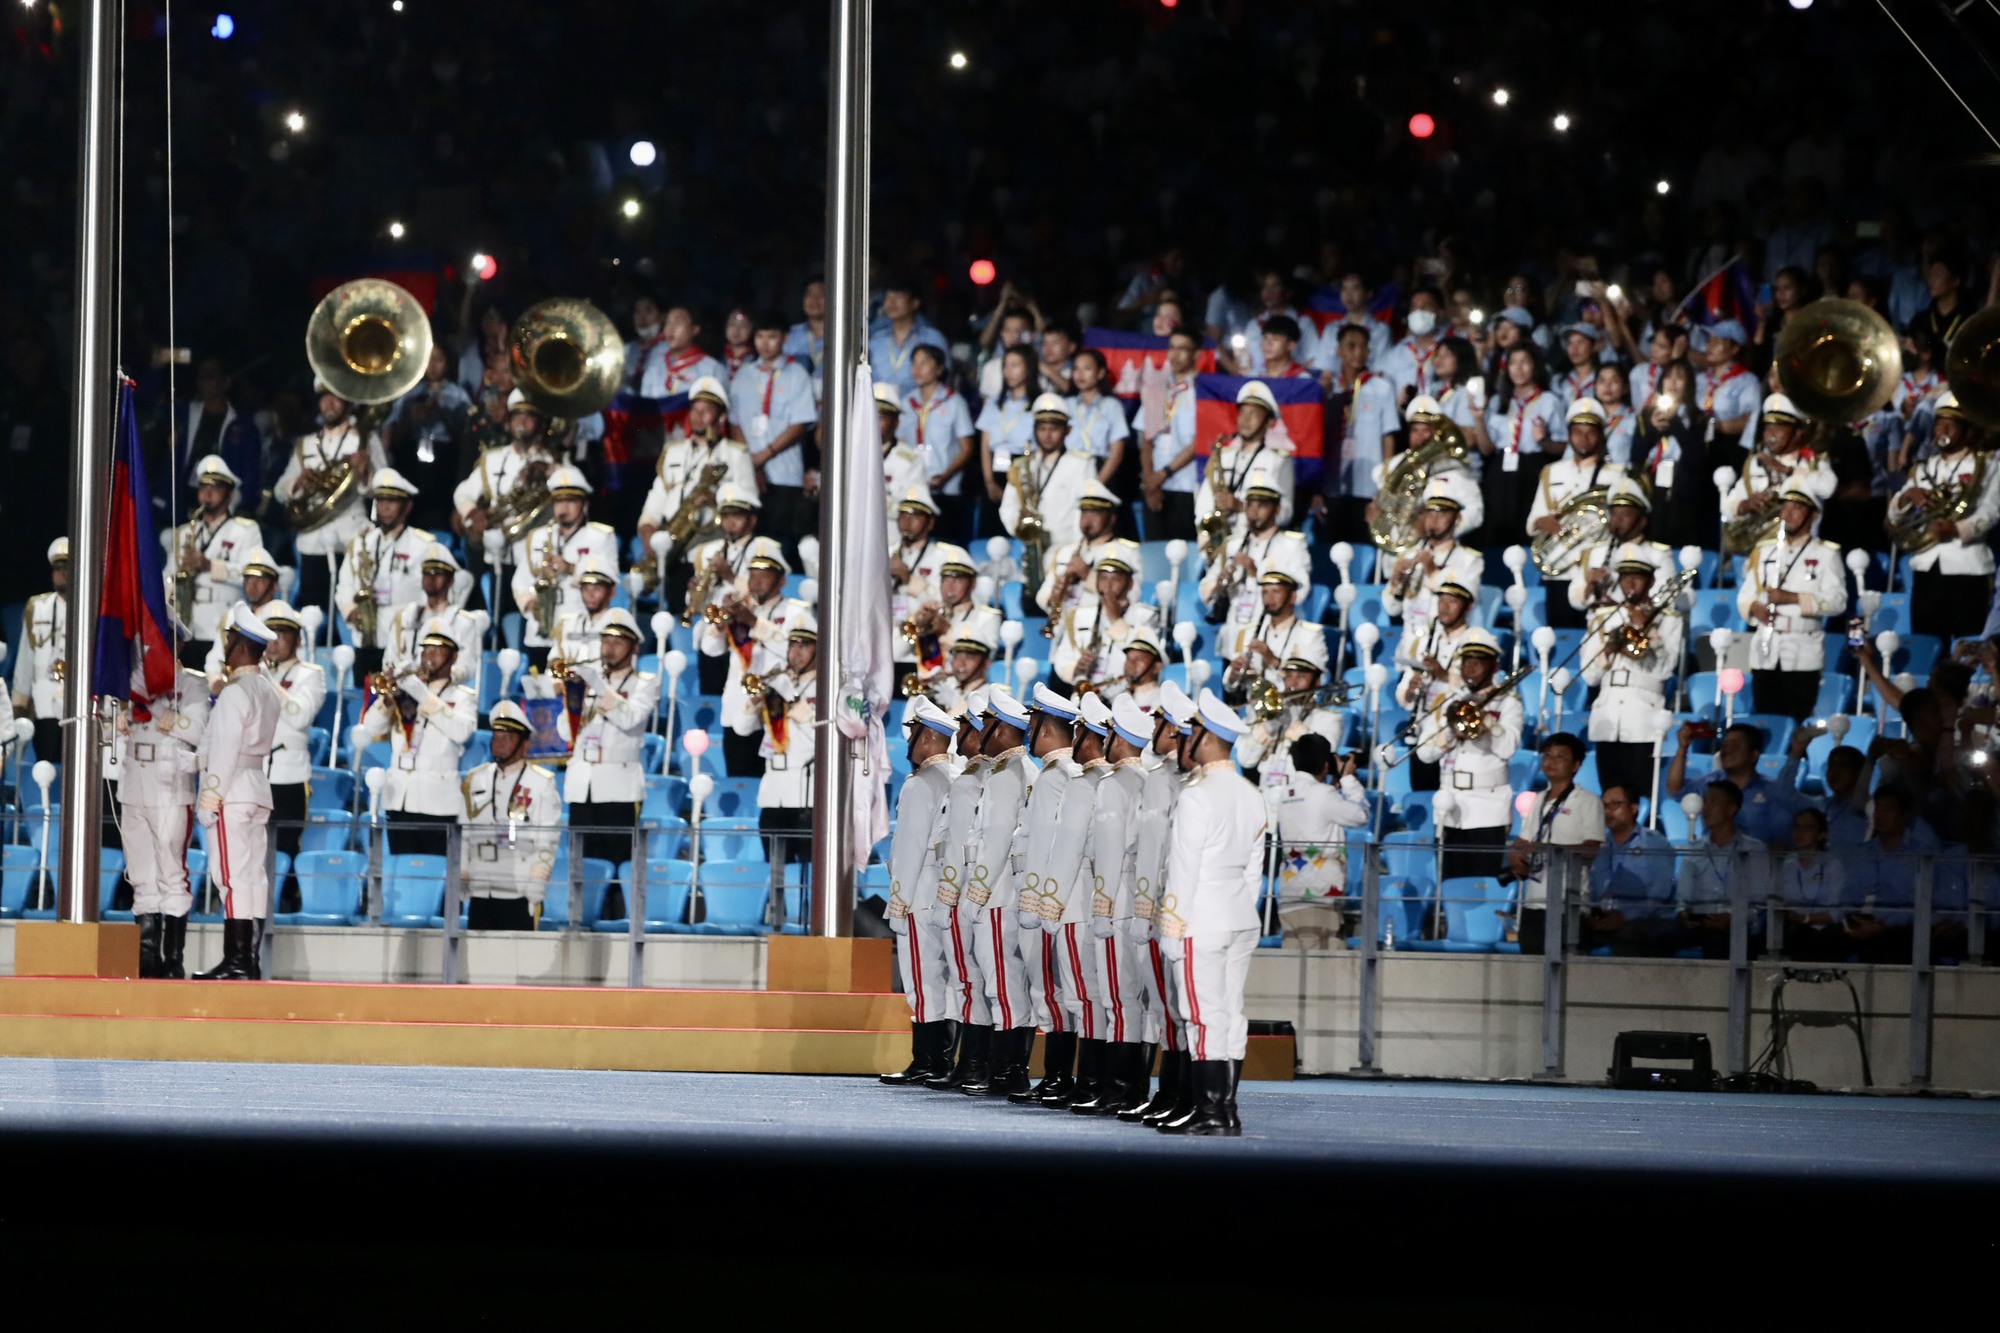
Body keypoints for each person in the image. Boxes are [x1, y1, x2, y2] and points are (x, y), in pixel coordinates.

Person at [1156, 688, 1266, 1137]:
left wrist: (1171, 925)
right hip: (1241, 913)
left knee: (1202, 1015)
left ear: (1205, 738)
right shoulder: (1250, 792)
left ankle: (1210, 1111)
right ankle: (1227, 1108)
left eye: (1192, 732)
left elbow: (1183, 870)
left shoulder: (1197, 795)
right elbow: (1256, 872)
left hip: (1201, 916)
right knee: (1230, 1014)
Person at [1028, 689, 1113, 1110]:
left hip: (1078, 900)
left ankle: (1093, 1080)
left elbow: (1064, 847)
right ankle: (1087, 1079)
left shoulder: (1077, 781)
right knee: (1086, 995)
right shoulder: (1083, 779)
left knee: (1085, 995)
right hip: (1079, 898)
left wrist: (1046, 900)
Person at [193, 604, 283, 981]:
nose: (226, 646)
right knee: (252, 877)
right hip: (257, 784)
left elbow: (226, 748)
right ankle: (251, 959)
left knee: (230, 876)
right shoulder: (268, 690)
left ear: (241, 647)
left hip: (232, 786)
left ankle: (237, 960)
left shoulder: (235, 692)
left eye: (230, 640)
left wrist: (210, 796)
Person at [1124, 680, 1197, 1125]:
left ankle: (1177, 1095)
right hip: (1185, 907)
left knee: (1169, 1008)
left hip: (1162, 908)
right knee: (1179, 1010)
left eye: (1160, 722)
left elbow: (1150, 850)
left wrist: (1143, 910)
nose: (1155, 728)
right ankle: (1175, 1094)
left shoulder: (1161, 782)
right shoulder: (1187, 781)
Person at [961, 686, 1038, 1097]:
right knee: (1006, 982)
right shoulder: (1012, 771)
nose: (983, 732)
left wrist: (976, 893)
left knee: (1003, 984)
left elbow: (996, 839)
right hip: (1004, 889)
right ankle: (1006, 1066)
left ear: (1005, 729)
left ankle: (1011, 1070)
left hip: (998, 891)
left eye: (989, 724)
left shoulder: (1009, 774)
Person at [882, 697, 962, 1084]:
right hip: (949, 891)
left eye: (913, 731)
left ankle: (928, 1059)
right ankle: (944, 1059)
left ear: (929, 736)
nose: (909, 738)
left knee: (922, 979)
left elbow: (909, 847)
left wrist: (898, 903)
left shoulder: (921, 784)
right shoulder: (957, 775)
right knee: (950, 980)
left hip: (921, 889)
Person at [117, 665, 210, 978]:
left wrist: (163, 712)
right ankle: (146, 959)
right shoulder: (125, 678)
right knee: (141, 875)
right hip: (133, 781)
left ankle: (173, 961)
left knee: (172, 872)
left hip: (169, 783)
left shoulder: (192, 683)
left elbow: (197, 731)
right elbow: (105, 728)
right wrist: (114, 719)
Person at [637, 376, 758, 612]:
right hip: (672, 551)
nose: (699, 416)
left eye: (707, 411)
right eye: (695, 409)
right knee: (671, 615)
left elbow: (750, 502)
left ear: (721, 417)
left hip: (710, 551)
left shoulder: (735, 454)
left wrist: (718, 498)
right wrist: (648, 530)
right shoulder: (673, 452)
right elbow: (657, 498)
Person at [926, 693, 997, 1089]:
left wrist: (947, 895)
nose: (962, 734)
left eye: (968, 727)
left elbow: (956, 845)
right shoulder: (979, 776)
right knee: (978, 979)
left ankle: (973, 1064)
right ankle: (973, 1063)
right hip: (981, 890)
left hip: (967, 890)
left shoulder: (972, 779)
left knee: (970, 979)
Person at [361, 617, 477, 856]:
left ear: (454, 656)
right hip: (398, 797)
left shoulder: (463, 696)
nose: (429, 655)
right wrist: (387, 700)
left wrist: (422, 695)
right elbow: (371, 728)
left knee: (436, 873)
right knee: (401, 872)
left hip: (438, 801)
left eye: (438, 649)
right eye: (425, 649)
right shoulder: (404, 689)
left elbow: (462, 731)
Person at [273, 378, 388, 614]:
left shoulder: (365, 438)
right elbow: (278, 490)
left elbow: (385, 487)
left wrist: (365, 471)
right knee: (313, 613)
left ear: (348, 402)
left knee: (352, 612)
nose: (329, 404)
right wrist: (299, 483)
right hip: (314, 540)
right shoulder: (306, 445)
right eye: (324, 398)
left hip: (352, 537)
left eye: (335, 397)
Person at [1890, 392, 2000, 641]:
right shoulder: (1925, 468)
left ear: (1966, 428)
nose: (1944, 429)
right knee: (1925, 641)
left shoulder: (1989, 466)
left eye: (1952, 423)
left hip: (1967, 568)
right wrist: (1907, 498)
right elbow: (1895, 515)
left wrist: (1957, 529)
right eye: (1939, 422)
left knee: (1966, 643)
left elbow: (1991, 511)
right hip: (1927, 567)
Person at [565, 608, 660, 893]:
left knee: (618, 864)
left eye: (617, 642)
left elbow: (630, 718)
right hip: (582, 784)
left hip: (619, 788)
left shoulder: (645, 682)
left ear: (634, 647)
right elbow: (564, 732)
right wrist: (569, 697)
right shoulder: (588, 683)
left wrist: (598, 686)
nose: (609, 648)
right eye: (605, 641)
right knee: (581, 864)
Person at [1415, 629, 1521, 881]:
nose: (1471, 668)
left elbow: (1508, 748)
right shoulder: (1447, 700)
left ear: (1494, 666)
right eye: (1466, 662)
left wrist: (1484, 720)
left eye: (1479, 662)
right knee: (1449, 884)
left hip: (1489, 809)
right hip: (1449, 805)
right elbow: (1425, 753)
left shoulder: (1509, 703)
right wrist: (1450, 734)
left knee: (1480, 884)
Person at [1738, 489, 1848, 721]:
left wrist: (1793, 598)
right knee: (1764, 720)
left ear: (1813, 515)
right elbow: (1745, 593)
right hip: (1766, 649)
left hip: (1802, 649)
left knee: (1797, 718)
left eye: (1796, 508)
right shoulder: (1765, 550)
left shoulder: (1826, 554)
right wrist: (1754, 608)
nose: (1788, 514)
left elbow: (1838, 601)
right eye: (1785, 507)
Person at [1581, 556, 1683, 804]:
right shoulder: (1603, 617)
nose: (1630, 584)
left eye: (1637, 578)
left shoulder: (1669, 618)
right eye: (1625, 578)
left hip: (1642, 720)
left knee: (1639, 796)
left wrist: (1650, 633)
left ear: (1650, 582)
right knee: (1609, 796)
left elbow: (1665, 670)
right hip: (1607, 720)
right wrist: (1607, 650)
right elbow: (1589, 676)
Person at [458, 700, 561, 931]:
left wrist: (537, 883)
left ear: (525, 744)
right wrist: (462, 873)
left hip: (519, 890)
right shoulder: (475, 778)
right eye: (496, 736)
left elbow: (548, 840)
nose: (500, 742)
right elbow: (463, 831)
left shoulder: (541, 783)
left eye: (508, 737)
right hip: (480, 887)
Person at [731, 608, 817, 883]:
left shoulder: (825, 689)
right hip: (773, 794)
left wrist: (789, 699)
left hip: (807, 795)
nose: (796, 652)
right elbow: (741, 728)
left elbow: (820, 735)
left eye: (805, 646)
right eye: (793, 645)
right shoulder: (776, 683)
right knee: (776, 871)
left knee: (807, 874)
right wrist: (756, 702)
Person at [1525, 398, 1630, 625]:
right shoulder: (1551, 472)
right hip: (1559, 568)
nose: (1583, 438)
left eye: (1590, 432)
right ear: (1569, 434)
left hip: (1595, 569)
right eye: (1577, 432)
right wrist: (1543, 522)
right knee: (1561, 635)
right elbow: (1532, 521)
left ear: (1600, 435)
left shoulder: (1616, 474)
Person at [699, 554, 802, 776]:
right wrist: (720, 626)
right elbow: (710, 649)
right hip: (738, 705)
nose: (756, 582)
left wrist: (754, 623)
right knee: (739, 774)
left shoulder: (796, 612)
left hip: (776, 706)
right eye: (752, 576)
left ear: (782, 581)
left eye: (764, 577)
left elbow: (795, 653)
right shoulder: (741, 606)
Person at [511, 466, 622, 670]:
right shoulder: (537, 537)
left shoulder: (600, 537)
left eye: (571, 501)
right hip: (540, 632)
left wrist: (571, 568)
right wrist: (530, 605)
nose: (564, 507)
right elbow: (520, 581)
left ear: (584, 504)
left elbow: (611, 578)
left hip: (579, 631)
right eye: (559, 501)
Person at [162, 454, 263, 669]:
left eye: (215, 488)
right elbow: (168, 577)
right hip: (187, 624)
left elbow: (251, 575)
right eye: (203, 488)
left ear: (228, 493)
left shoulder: (245, 530)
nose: (207, 494)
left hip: (220, 622)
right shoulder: (184, 532)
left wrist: (209, 565)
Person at [1506, 733, 1605, 954]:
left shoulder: (1588, 802)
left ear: (1576, 765)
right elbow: (1523, 841)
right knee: (1531, 971)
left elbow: (1591, 850)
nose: (1551, 761)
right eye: (1547, 755)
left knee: (1569, 975)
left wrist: (1548, 850)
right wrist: (1515, 856)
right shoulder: (1539, 799)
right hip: (1535, 903)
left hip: (1569, 905)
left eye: (1561, 756)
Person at [258, 601, 326, 916]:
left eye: (281, 635)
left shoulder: (311, 674)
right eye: (268, 634)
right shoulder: (256, 673)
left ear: (297, 639)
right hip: (256, 772)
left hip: (289, 776)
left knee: (286, 845)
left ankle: (285, 906)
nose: (273, 641)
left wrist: (265, 679)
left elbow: (298, 715)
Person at [1271, 733, 1368, 950]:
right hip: (1319, 897)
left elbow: (1316, 804)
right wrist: (1348, 779)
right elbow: (1361, 815)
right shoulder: (1323, 794)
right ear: (1326, 763)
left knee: (1295, 973)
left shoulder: (1285, 793)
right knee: (1325, 973)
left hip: (1289, 896)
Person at [682, 485, 784, 692]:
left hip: (744, 636)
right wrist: (693, 592)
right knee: (711, 695)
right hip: (712, 635)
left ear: (752, 520)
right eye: (726, 516)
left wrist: (730, 576)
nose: (730, 522)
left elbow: (764, 593)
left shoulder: (764, 548)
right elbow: (699, 602)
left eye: (737, 516)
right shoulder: (707, 551)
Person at [333, 467, 431, 681]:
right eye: (380, 500)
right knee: (364, 699)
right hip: (366, 638)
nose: (384, 506)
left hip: (402, 640)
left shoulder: (422, 545)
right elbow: (344, 585)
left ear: (407, 506)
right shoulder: (361, 541)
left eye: (391, 501)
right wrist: (352, 612)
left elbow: (428, 593)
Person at [451, 388, 558, 586]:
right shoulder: (492, 458)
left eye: (529, 417)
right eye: (517, 416)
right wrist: (472, 512)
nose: (522, 422)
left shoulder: (553, 461)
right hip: (497, 555)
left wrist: (549, 470)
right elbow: (463, 492)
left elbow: (571, 486)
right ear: (508, 423)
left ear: (540, 424)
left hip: (534, 557)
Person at [730, 312, 817, 549]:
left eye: (772, 337)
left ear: (785, 339)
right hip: (748, 472)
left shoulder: (797, 374)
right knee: (750, 540)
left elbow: (799, 424)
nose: (765, 343)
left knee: (781, 543)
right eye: (760, 336)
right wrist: (751, 462)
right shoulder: (744, 375)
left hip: (784, 474)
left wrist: (763, 456)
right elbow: (735, 422)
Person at [1197, 473, 1311, 650]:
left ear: (1277, 509)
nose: (1254, 512)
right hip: (1233, 635)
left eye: (1262, 505)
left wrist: (1255, 573)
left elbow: (1301, 592)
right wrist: (1219, 585)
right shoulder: (1233, 544)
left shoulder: (1292, 546)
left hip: (1271, 638)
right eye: (1250, 505)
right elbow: (1205, 587)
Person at [1720, 395, 1837, 553]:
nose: (1770, 434)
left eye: (1779, 428)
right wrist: (1745, 505)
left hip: (1798, 551)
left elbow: (1828, 489)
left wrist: (1788, 471)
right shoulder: (1755, 463)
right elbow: (1727, 507)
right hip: (1757, 553)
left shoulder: (1811, 461)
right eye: (1767, 427)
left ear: (1798, 433)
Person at [1395, 579, 1479, 793]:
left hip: (1455, 734)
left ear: (1468, 607)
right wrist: (1411, 690)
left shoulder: (1476, 642)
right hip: (1422, 731)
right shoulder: (1424, 641)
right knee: (1421, 794)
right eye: (1441, 600)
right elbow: (1403, 693)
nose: (1445, 607)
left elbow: (1478, 689)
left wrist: (1443, 676)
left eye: (1452, 601)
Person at [1323, 323, 1403, 544]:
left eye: (1363, 347)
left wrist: (1384, 483)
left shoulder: (1381, 387)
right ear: (1339, 350)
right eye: (1351, 346)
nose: (1358, 352)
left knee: (1363, 545)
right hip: (1333, 483)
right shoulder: (1329, 389)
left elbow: (1388, 436)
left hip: (1368, 484)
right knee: (1332, 546)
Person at [1671, 779, 1769, 959]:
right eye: (1705, 801)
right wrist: (1683, 912)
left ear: (1732, 809)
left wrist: (1734, 918)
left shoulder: (1754, 849)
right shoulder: (1695, 849)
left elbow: (1759, 901)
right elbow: (1683, 895)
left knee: (1720, 941)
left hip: (1736, 923)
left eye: (1713, 802)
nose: (1705, 807)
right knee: (1655, 938)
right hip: (1699, 921)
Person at [1235, 629, 1341, 793]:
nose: (1293, 683)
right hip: (1266, 792)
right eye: (1289, 675)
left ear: (1317, 681)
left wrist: (1303, 735)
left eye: (1301, 676)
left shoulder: (1329, 718)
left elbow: (1323, 761)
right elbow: (1245, 760)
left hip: (1304, 796)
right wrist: (1268, 725)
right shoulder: (1274, 712)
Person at [1666, 721, 1796, 845]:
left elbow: (1782, 841)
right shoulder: (1710, 782)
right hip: (1712, 858)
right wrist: (1682, 748)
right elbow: (1675, 790)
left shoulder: (1772, 791)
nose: (1727, 751)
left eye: (1735, 746)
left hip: (1754, 861)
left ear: (1754, 755)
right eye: (1724, 746)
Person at [1198, 381, 1297, 543]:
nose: (1245, 419)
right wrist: (1207, 536)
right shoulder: (1222, 456)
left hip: (1258, 545)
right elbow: (1203, 500)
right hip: (1219, 543)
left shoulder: (1279, 460)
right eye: (1242, 412)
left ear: (1269, 422)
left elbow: (1285, 512)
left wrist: (1240, 506)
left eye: (1254, 414)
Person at [1585, 784, 1677, 955]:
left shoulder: (1654, 843)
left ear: (1634, 808)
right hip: (1606, 918)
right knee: (1569, 932)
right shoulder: (1599, 845)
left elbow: (1660, 894)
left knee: (1629, 936)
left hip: (1646, 920)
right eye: (1604, 806)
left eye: (1615, 805)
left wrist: (1625, 916)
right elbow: (1593, 889)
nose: (1608, 811)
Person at [1382, 476, 1484, 630]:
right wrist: (1395, 583)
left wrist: (1433, 572)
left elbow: (1468, 608)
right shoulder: (1410, 555)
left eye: (1442, 513)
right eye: (1430, 512)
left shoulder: (1470, 560)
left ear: (1457, 517)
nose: (1434, 519)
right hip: (1409, 644)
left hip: (1443, 644)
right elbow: (1392, 609)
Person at [1051, 544, 1156, 694]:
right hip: (1084, 695)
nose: (1108, 587)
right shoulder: (1080, 614)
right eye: (1104, 578)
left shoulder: (1146, 617)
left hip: (1126, 697)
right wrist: (1078, 666)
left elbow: (1144, 659)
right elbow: (1062, 658)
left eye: (1116, 579)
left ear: (1130, 584)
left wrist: (1115, 620)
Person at [1000, 393, 1097, 555]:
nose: (1047, 435)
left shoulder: (1082, 464)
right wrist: (1018, 523)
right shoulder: (1022, 465)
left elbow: (1085, 510)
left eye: (1054, 429)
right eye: (1042, 429)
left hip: (1066, 548)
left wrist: (1078, 550)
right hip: (1030, 547)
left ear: (1068, 430)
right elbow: (1008, 506)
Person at [1566, 477, 1673, 619]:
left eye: (1626, 514)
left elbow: (1666, 597)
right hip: (1599, 630)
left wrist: (1622, 602)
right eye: (1614, 514)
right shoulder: (1594, 553)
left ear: (1642, 521)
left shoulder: (1658, 555)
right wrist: (1589, 586)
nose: (1618, 520)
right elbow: (1574, 599)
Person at [901, 346, 977, 542]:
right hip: (913, 486)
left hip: (946, 489)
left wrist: (945, 476)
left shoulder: (954, 402)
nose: (917, 369)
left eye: (924, 363)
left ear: (940, 369)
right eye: (914, 363)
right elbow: (900, 444)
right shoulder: (906, 402)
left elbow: (967, 447)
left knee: (947, 542)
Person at [1220, 569, 1324, 705]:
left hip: (1292, 712)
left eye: (1276, 592)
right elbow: (1229, 685)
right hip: (1254, 712)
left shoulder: (1311, 635)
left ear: (1292, 597)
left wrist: (1272, 660)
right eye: (1265, 592)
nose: (1269, 599)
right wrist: (1235, 673)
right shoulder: (1248, 631)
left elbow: (1312, 683)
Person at [383, 544, 484, 684]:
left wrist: (437, 677)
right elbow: (390, 658)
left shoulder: (463, 622)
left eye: (438, 573)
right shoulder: (406, 618)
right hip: (405, 690)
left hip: (445, 691)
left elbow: (468, 667)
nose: (431, 577)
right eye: (427, 573)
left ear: (451, 580)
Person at [1141, 328, 1204, 541]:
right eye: (1171, 348)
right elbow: (1147, 441)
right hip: (1156, 488)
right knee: (1156, 552)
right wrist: (1150, 482)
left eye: (1182, 349)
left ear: (1196, 353)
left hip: (1187, 485)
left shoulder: (1204, 391)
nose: (1175, 355)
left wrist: (1163, 474)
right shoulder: (1158, 388)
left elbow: (1200, 442)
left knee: (1186, 553)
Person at [12, 538, 68, 763]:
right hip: (45, 706)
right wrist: (19, 706)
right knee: (46, 769)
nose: (61, 574)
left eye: (66, 568)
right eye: (57, 569)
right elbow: (25, 662)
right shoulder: (38, 608)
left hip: (79, 706)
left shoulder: (91, 606)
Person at [1037, 480, 1122, 623]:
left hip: (1099, 628)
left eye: (1095, 513)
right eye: (1084, 512)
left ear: (1111, 518)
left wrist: (1087, 575)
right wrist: (1053, 596)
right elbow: (1042, 595)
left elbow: (1125, 600)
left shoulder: (1123, 553)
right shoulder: (1064, 552)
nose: (1088, 520)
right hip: (1064, 630)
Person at [204, 548, 288, 690]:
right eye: (248, 578)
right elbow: (215, 658)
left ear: (274, 586)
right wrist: (216, 682)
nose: (252, 585)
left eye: (259, 579)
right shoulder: (231, 616)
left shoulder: (285, 619)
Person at [1776, 807, 1849, 961]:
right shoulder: (1786, 864)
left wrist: (1805, 918)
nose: (1800, 831)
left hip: (1824, 932)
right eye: (1797, 826)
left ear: (1821, 834)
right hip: (1793, 930)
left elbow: (1836, 913)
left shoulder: (1832, 864)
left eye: (1807, 827)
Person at [1693, 321, 1760, 470]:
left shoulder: (1747, 381)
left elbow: (1749, 421)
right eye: (1709, 341)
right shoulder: (1700, 379)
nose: (1710, 346)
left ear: (1735, 348)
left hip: (1727, 450)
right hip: (1697, 447)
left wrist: (1714, 425)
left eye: (1717, 342)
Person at [868, 279, 950, 396]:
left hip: (920, 410)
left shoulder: (933, 339)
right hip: (881, 410)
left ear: (915, 303)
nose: (891, 303)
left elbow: (945, 381)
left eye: (898, 297)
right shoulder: (875, 341)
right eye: (888, 297)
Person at [1066, 348, 1130, 488]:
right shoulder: (1067, 404)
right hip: (1068, 467)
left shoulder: (1111, 406)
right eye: (1076, 369)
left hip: (1099, 467)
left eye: (1087, 368)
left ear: (1100, 373)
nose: (1080, 374)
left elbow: (1117, 453)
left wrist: (1096, 485)